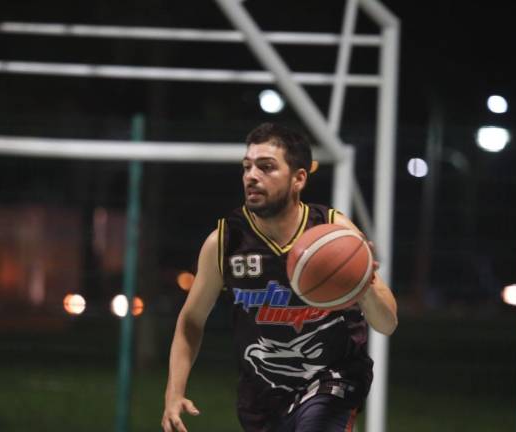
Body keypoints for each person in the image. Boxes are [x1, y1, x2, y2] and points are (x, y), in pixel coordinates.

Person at [162, 123, 397, 432]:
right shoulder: (225, 242)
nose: (251, 176)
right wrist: (174, 390)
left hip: (331, 380)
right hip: (262, 395)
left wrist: (363, 283)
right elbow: (191, 321)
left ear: (299, 178)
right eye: (247, 167)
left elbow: (387, 323)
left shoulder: (333, 233)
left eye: (266, 167)